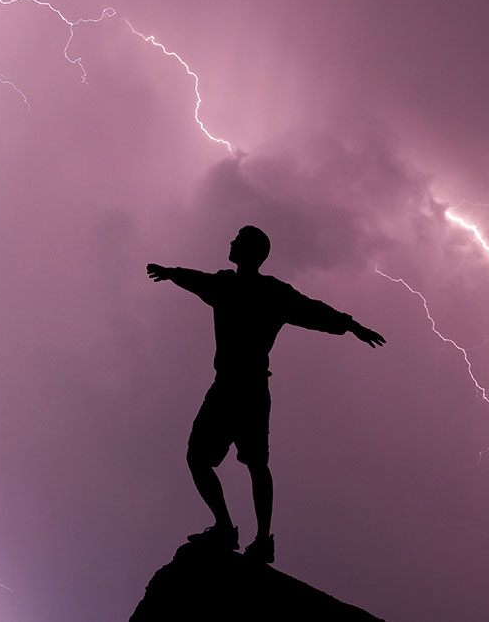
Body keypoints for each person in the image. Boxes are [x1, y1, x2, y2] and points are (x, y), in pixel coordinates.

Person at [146, 225, 385, 564]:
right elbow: (312, 309)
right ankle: (249, 535)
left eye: (236, 241)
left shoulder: (239, 288)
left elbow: (313, 310)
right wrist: (171, 273)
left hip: (235, 388)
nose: (229, 242)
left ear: (247, 251)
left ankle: (238, 532)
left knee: (221, 460)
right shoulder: (254, 289)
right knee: (242, 462)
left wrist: (350, 325)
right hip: (248, 388)